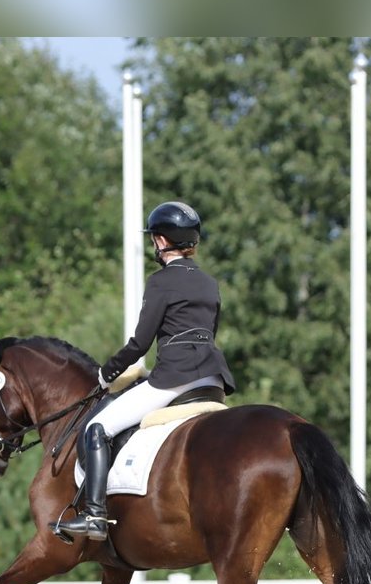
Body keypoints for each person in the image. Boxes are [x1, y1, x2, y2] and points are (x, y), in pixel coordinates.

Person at [56, 200, 236, 541]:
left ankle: (94, 515)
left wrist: (105, 374)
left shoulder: (160, 282)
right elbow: (207, 333)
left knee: (97, 426)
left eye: (155, 238)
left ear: (163, 241)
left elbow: (140, 344)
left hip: (173, 381)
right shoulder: (210, 283)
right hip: (213, 382)